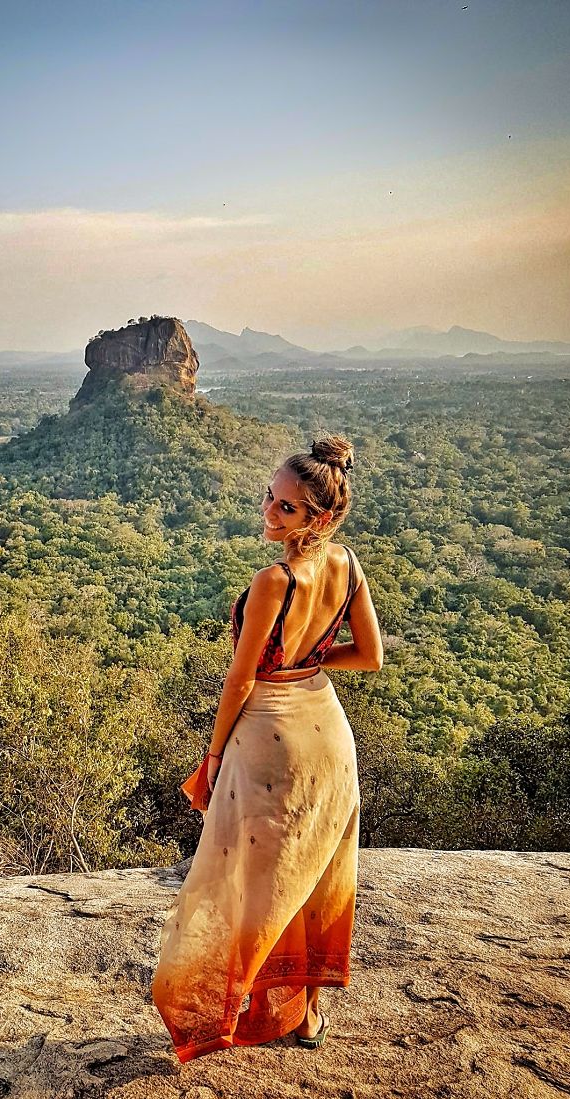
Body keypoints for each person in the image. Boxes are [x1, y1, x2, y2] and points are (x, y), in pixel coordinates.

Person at [152, 434, 384, 1064]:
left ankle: (226, 1012)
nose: (270, 512)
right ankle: (307, 1014)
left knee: (253, 883)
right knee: (311, 876)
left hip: (269, 739)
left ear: (322, 517)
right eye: (270, 498)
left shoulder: (272, 581)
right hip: (328, 732)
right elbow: (368, 656)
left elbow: (242, 677)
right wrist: (308, 660)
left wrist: (214, 754)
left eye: (286, 507)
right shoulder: (348, 566)